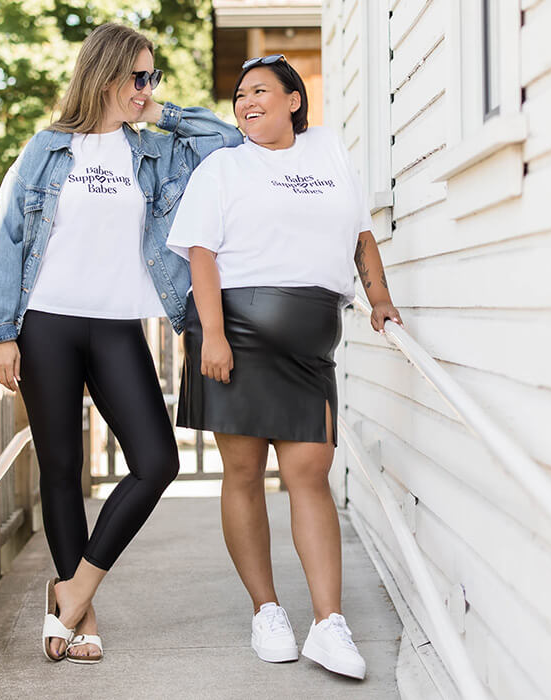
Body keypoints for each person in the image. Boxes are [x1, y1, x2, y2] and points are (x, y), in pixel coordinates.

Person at [0, 23, 242, 665]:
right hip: (46, 324)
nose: (146, 89)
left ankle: (71, 592)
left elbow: (229, 140)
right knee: (62, 469)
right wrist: (1, 333)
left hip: (117, 324)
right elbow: (8, 240)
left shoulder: (154, 150)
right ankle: (82, 616)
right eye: (138, 77)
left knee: (157, 461)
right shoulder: (45, 150)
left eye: (152, 78)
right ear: (105, 74)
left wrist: (164, 111)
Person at [165, 55, 402, 680]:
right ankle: (266, 610)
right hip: (233, 332)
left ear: (295, 100)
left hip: (308, 346)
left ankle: (329, 623)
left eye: (261, 92)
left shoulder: (328, 153)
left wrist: (379, 299)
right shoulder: (222, 166)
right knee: (242, 471)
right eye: (240, 95)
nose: (246, 103)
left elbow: (359, 235)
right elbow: (201, 254)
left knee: (310, 472)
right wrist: (212, 336)